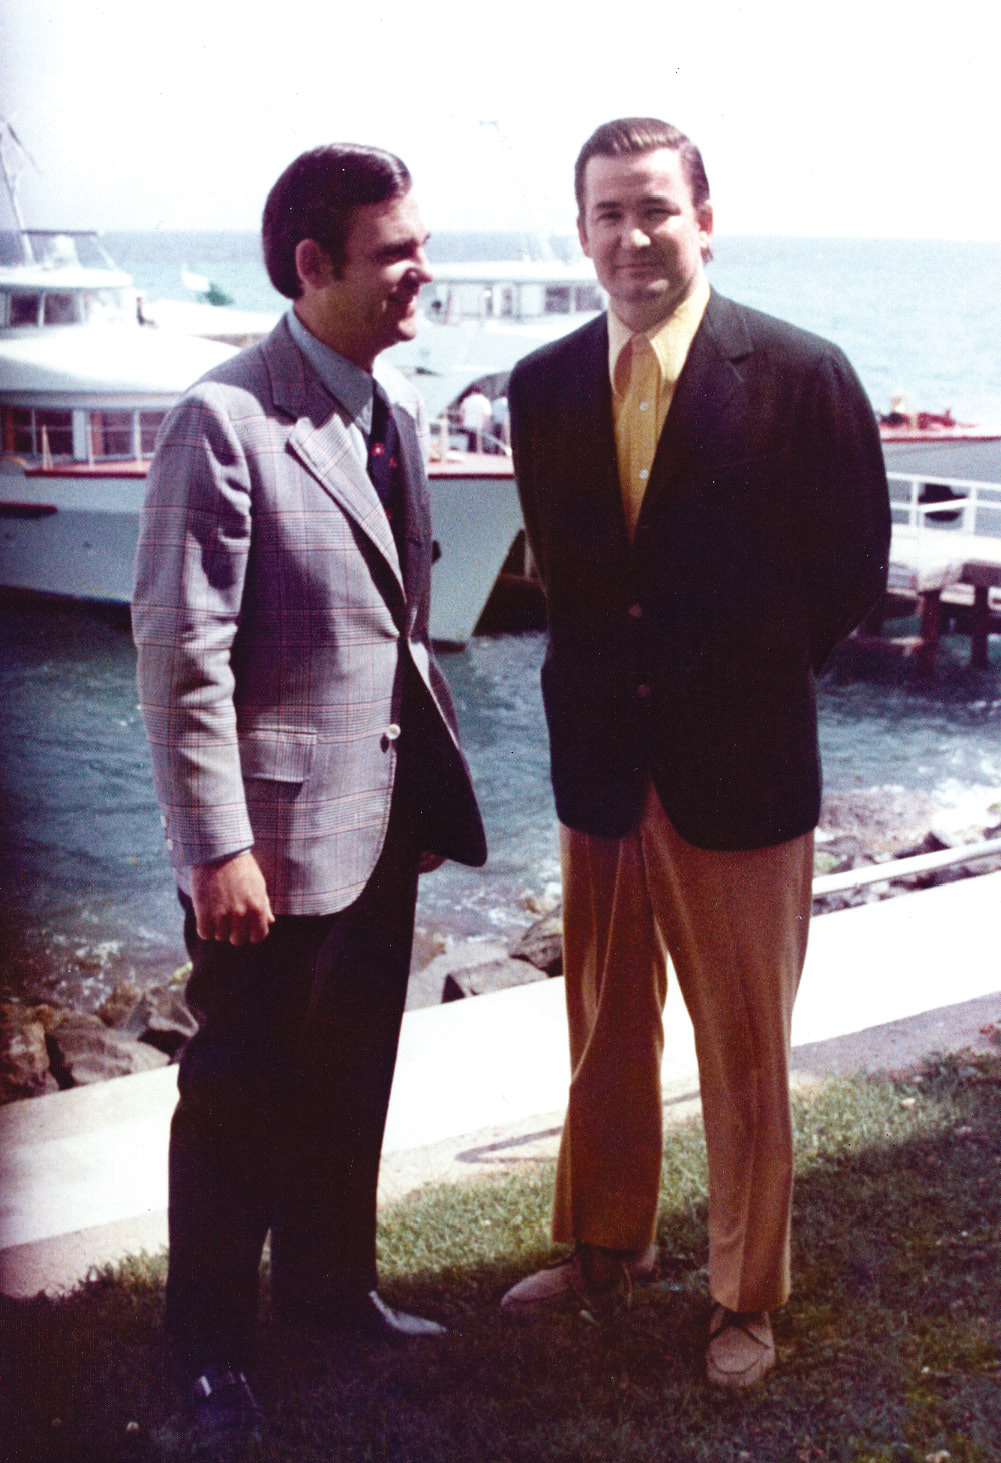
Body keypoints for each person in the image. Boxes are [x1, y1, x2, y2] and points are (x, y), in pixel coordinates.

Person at [500, 118, 890, 1390]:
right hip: (600, 766)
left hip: (740, 767)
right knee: (605, 1023)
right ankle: (607, 1244)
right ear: (581, 232)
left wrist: (740, 681)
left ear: (703, 219)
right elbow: (565, 575)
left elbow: (848, 574)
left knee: (743, 1047)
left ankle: (744, 1294)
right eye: (607, 213)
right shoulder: (541, 384)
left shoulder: (799, 373)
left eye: (654, 209)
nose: (632, 237)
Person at [133, 143, 486, 1449]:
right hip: (272, 848)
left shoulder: (390, 415)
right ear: (311, 265)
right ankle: (208, 1355)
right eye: (396, 251)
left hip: (378, 820)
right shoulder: (224, 420)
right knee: (238, 1097)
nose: (421, 273)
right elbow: (181, 657)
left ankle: (334, 1292)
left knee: (351, 1075)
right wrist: (217, 845)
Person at [459, 386, 492, 450]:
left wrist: (462, 421)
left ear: (473, 392)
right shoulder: (484, 401)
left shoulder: (467, 399)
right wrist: (486, 425)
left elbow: (461, 411)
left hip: (468, 424)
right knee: (478, 444)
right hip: (479, 425)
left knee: (469, 443)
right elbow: (487, 415)